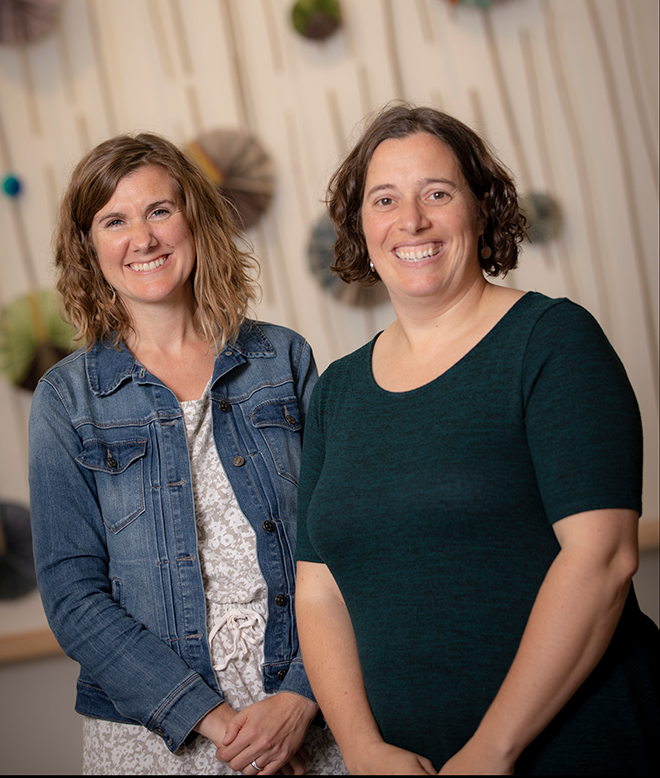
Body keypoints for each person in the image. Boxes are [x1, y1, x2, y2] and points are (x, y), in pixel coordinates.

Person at [294, 104, 659, 775]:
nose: (412, 220)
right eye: (385, 200)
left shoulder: (552, 343)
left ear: (482, 208)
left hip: (577, 750)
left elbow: (603, 559)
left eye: (438, 192)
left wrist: (492, 752)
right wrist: (363, 750)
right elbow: (318, 592)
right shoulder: (339, 392)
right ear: (361, 227)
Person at [29, 132, 346, 776]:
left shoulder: (282, 359)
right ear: (89, 249)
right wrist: (218, 723)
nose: (142, 239)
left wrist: (298, 700)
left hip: (309, 711)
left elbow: (341, 542)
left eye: (159, 211)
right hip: (156, 732)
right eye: (113, 220)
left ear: (194, 221)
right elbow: (71, 596)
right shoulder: (66, 399)